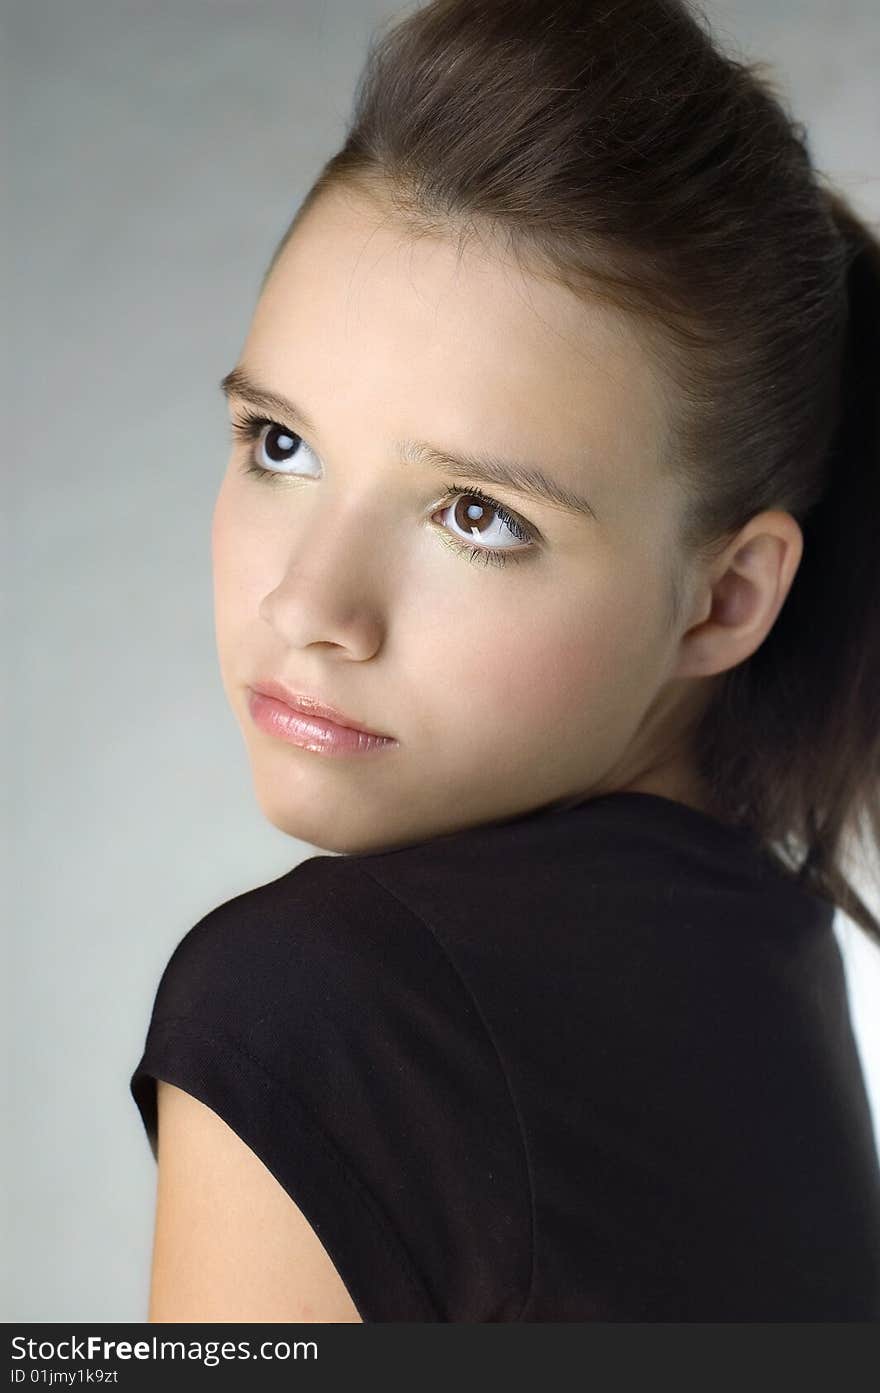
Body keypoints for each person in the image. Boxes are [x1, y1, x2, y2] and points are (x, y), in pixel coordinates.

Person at [130, 0, 880, 1321]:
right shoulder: (772, 969)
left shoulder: (328, 1004)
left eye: (477, 513)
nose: (312, 603)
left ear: (726, 597)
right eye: (281, 446)